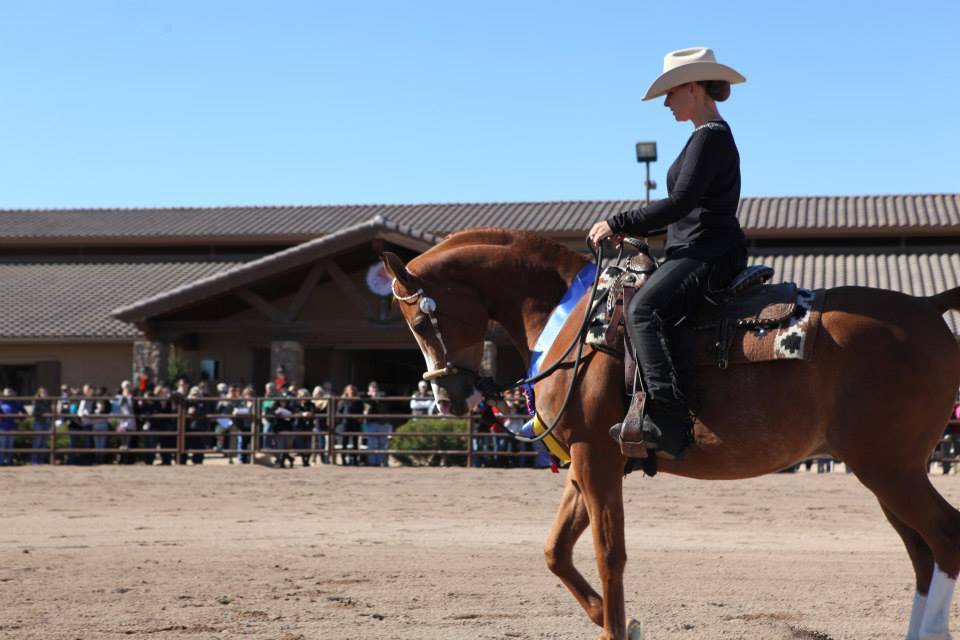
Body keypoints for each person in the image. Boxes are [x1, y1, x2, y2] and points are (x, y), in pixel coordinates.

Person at [589, 47, 748, 460]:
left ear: (692, 87)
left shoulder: (709, 137)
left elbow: (679, 203)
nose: (666, 104)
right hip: (699, 247)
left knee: (642, 310)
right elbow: (684, 209)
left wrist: (618, 221)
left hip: (708, 251)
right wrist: (635, 230)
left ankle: (669, 417)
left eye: (670, 93)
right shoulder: (706, 137)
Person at [336, 384, 363, 465]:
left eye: (352, 390)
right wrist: (342, 417)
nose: (351, 391)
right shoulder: (343, 400)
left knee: (355, 441)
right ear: (346, 391)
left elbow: (361, 411)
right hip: (346, 423)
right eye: (350, 390)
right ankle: (343, 459)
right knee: (345, 441)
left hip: (355, 423)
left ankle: (355, 459)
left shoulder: (358, 400)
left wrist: (360, 418)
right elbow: (338, 411)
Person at [0, 389, 23, 466]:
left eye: (10, 394)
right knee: (3, 445)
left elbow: (24, 413)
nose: (8, 396)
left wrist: (20, 419)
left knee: (10, 445)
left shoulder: (17, 403)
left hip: (12, 427)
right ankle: (1, 462)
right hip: (2, 427)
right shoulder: (1, 402)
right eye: (7, 395)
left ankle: (9, 462)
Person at [31, 387, 54, 465]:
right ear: (39, 393)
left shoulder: (49, 401)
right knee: (38, 441)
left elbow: (52, 411)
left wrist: (50, 415)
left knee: (44, 443)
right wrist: (43, 414)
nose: (44, 394)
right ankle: (34, 461)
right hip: (39, 422)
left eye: (45, 392)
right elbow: (34, 413)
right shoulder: (37, 401)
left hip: (47, 422)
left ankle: (40, 461)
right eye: (42, 392)